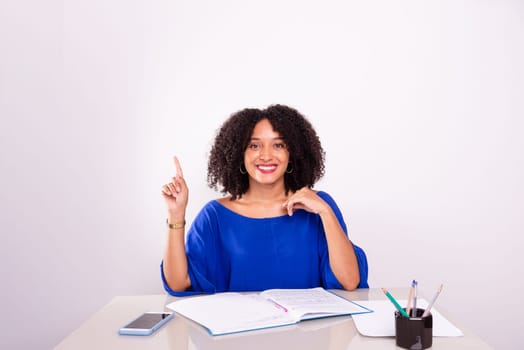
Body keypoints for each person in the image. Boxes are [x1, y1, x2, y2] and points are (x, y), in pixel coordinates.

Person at [161, 104, 368, 296]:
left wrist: (325, 212)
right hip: (238, 334)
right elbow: (179, 283)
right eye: (254, 146)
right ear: (239, 154)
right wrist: (176, 214)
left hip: (307, 333)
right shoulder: (215, 216)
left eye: (278, 145)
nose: (266, 155)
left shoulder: (318, 206)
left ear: (292, 153)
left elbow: (349, 281)